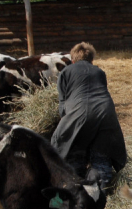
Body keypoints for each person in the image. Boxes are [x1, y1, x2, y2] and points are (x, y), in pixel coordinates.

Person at [51, 42, 126, 190]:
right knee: (101, 154)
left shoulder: (66, 72)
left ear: (72, 60)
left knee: (72, 149)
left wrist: (66, 128)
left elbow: (63, 105)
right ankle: (101, 188)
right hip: (106, 113)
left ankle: (76, 185)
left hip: (78, 112)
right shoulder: (99, 72)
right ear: (92, 60)